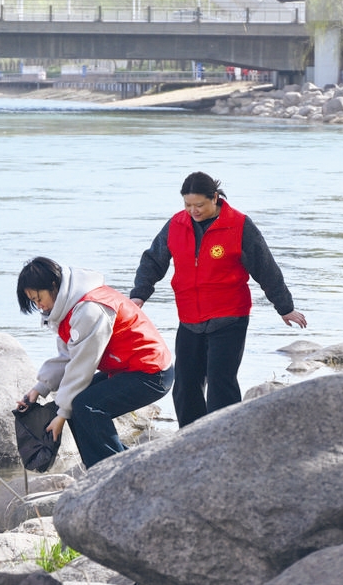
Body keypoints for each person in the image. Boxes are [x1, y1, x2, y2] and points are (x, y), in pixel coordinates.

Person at [131, 171, 307, 428]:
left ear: (214, 198)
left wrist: (285, 307)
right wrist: (139, 294)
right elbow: (153, 261)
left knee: (220, 384)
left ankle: (225, 436)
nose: (193, 211)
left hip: (229, 318)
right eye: (188, 205)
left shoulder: (239, 225)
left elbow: (265, 267)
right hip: (189, 318)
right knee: (185, 386)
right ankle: (191, 437)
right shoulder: (176, 224)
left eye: (199, 205)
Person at [15, 257, 174, 468]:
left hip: (151, 372)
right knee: (77, 403)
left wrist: (62, 415)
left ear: (53, 285)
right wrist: (39, 389)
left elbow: (82, 366)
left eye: (38, 298)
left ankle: (112, 472)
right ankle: (114, 468)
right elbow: (67, 356)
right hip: (127, 368)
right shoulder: (68, 307)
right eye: (34, 302)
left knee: (86, 406)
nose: (39, 305)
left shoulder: (89, 310)